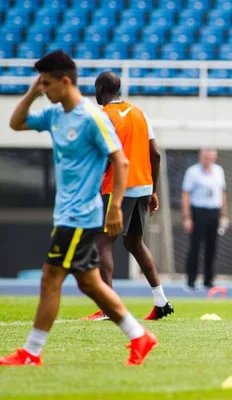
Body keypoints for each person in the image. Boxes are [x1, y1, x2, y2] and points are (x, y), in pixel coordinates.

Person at [0, 51, 156, 366]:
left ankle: (31, 351)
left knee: (50, 277)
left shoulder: (92, 118)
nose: (44, 90)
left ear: (66, 81)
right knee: (89, 283)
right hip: (67, 213)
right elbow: (15, 123)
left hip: (80, 215)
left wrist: (115, 208)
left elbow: (120, 160)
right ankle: (140, 336)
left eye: (47, 84)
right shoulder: (55, 114)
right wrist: (32, 91)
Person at [80, 71, 173, 321]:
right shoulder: (139, 113)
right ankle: (161, 300)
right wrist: (153, 189)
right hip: (143, 186)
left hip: (117, 188)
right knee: (134, 243)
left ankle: (108, 307)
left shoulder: (101, 116)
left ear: (100, 89)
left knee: (104, 243)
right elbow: (155, 153)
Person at [181, 149, 228, 290]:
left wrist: (223, 214)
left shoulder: (219, 171)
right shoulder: (192, 172)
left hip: (214, 212)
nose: (208, 159)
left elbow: (222, 193)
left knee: (211, 247)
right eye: (206, 156)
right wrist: (187, 217)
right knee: (195, 247)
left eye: (211, 157)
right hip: (198, 211)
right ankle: (191, 279)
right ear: (201, 157)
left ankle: (209, 280)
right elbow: (185, 194)